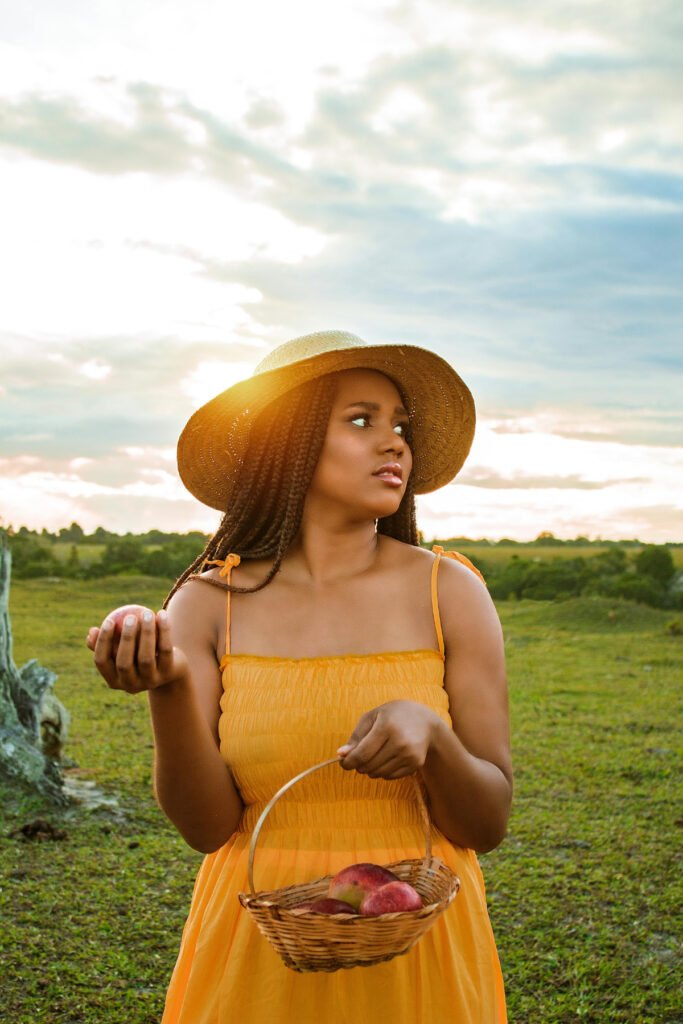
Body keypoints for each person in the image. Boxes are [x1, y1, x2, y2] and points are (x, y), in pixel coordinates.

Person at [87, 329, 512, 1023]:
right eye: (361, 420)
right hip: (258, 952)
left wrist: (433, 737)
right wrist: (167, 683)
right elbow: (206, 827)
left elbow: (487, 822)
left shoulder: (450, 592)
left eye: (400, 425)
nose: (395, 442)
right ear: (289, 442)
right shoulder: (208, 603)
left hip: (421, 952)